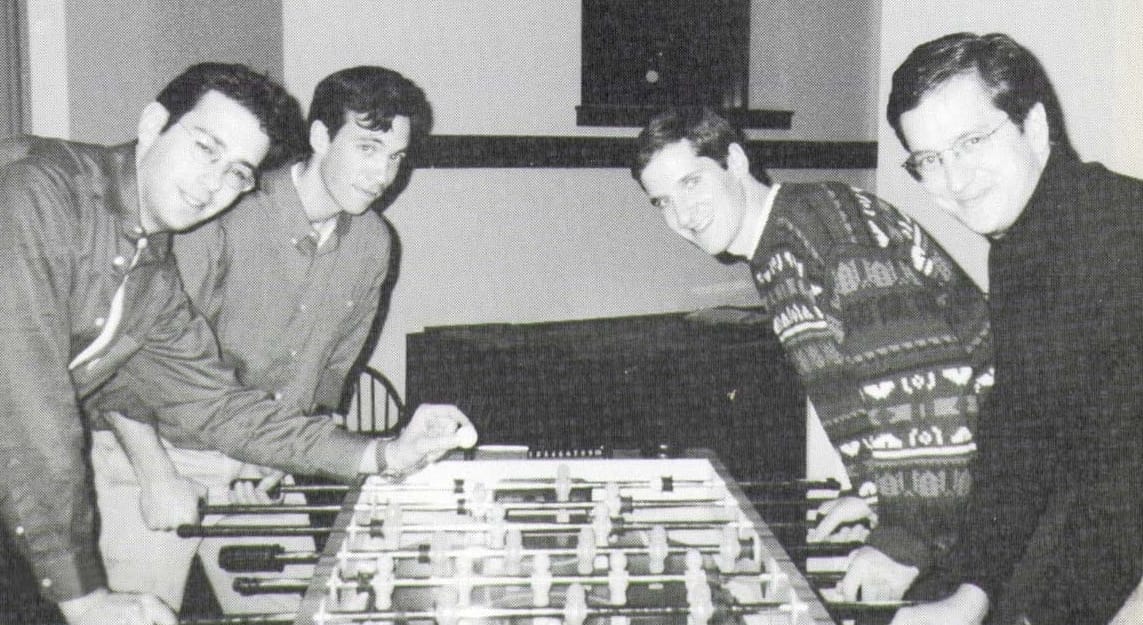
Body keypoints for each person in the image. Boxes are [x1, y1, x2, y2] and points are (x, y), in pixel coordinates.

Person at [0, 62, 474, 625]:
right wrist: (85, 596)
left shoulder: (153, 279)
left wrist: (384, 453)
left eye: (236, 172)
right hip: (113, 460)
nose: (211, 186)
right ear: (154, 124)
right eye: (205, 148)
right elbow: (29, 408)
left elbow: (221, 406)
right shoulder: (40, 193)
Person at [632, 107, 993, 602]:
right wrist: (873, 493)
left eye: (692, 183)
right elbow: (872, 387)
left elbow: (926, 382)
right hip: (978, 495)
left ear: (735, 161)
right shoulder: (773, 248)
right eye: (663, 201)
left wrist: (903, 542)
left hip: (1015, 491)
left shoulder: (822, 222)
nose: (682, 215)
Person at [885, 32, 1143, 625]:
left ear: (1033, 127)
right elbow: (1023, 445)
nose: (954, 179)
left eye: (971, 142)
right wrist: (970, 596)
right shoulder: (1019, 244)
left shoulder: (1123, 230)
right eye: (930, 160)